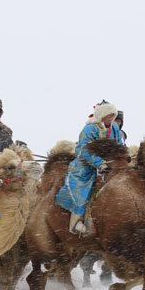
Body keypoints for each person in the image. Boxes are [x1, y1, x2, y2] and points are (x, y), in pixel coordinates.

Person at [55, 100, 124, 234]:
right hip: (86, 164)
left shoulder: (115, 128)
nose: (111, 118)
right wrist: (98, 162)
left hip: (109, 164)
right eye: (109, 115)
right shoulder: (89, 129)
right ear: (101, 115)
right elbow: (83, 151)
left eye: (113, 115)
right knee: (82, 188)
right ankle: (75, 222)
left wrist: (122, 156)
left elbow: (119, 145)